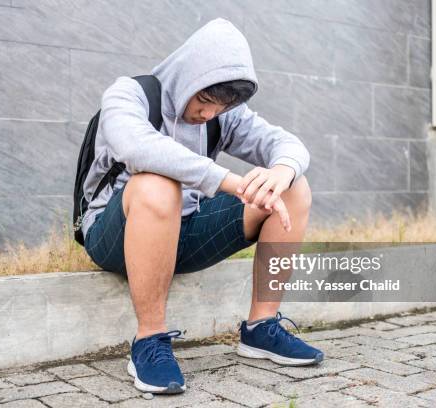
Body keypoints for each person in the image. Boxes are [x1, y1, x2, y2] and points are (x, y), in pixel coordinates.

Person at [81, 18, 323, 394]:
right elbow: (137, 148)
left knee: (294, 187)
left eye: (220, 107)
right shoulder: (129, 95)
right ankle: (149, 341)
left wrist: (282, 170)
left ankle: (260, 328)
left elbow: (287, 144)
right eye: (205, 101)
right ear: (187, 76)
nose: (209, 114)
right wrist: (230, 181)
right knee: (157, 182)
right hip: (117, 234)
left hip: (186, 231)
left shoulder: (223, 113)